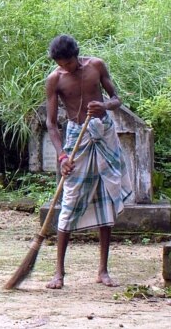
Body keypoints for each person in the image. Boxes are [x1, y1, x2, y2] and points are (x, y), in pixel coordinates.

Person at [44, 34, 132, 289]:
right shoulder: (55, 80)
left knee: (107, 195)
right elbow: (51, 123)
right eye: (60, 64)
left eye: (68, 63)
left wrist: (104, 106)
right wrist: (62, 156)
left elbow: (117, 99)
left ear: (76, 56)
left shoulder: (96, 66)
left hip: (103, 133)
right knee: (69, 200)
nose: (65, 68)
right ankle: (59, 273)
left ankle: (103, 271)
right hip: (76, 138)